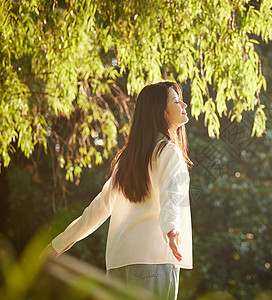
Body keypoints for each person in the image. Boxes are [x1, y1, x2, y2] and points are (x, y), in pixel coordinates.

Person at [46, 82, 193, 300]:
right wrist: (171, 230)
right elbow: (171, 195)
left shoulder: (126, 159)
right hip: (154, 259)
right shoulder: (169, 151)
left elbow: (99, 208)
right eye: (176, 101)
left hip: (118, 264)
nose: (184, 104)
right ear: (160, 111)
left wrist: (58, 244)